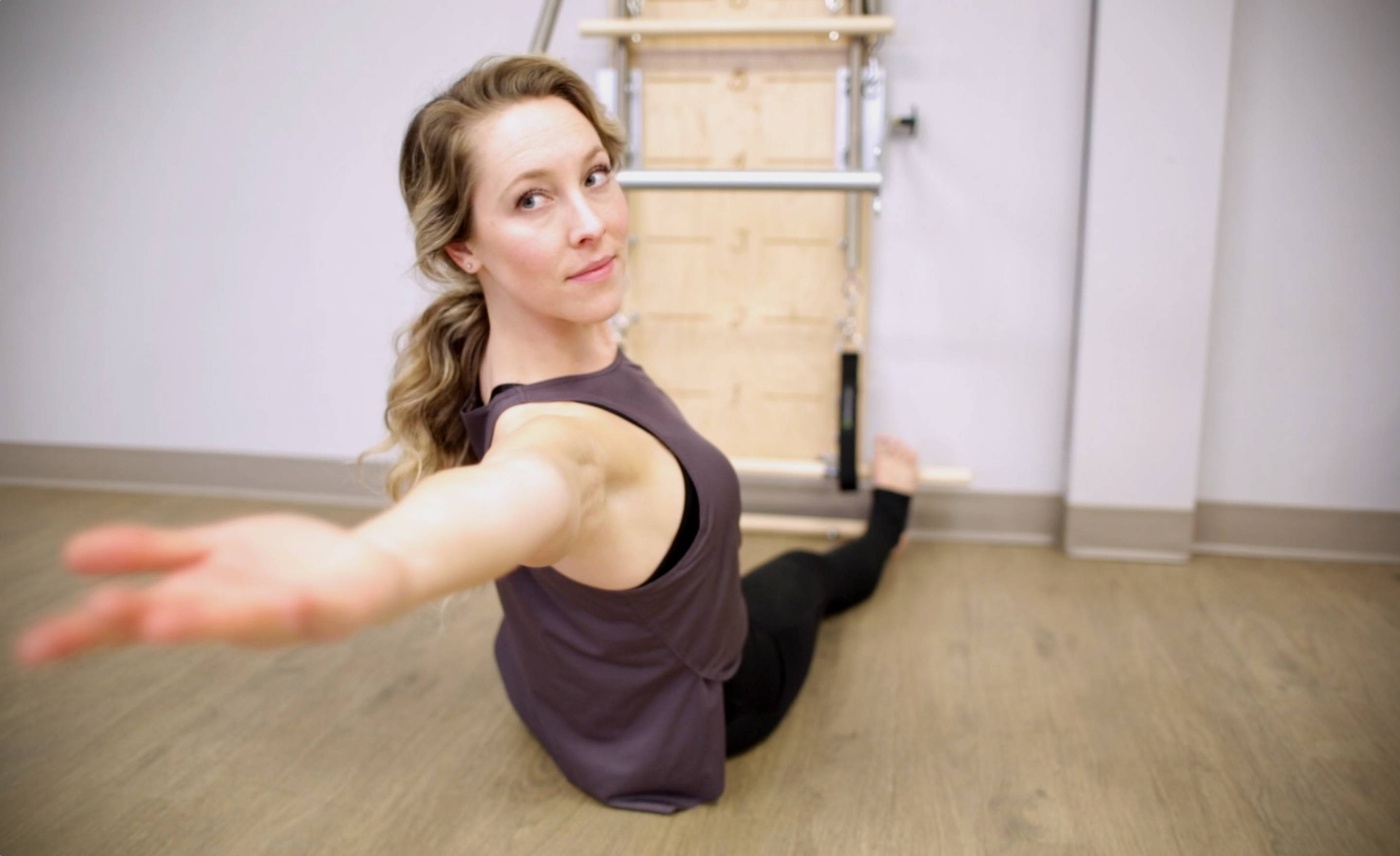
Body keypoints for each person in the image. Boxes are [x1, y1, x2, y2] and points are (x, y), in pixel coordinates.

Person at [14, 55, 918, 814]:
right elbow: (516, 492)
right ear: (464, 250)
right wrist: (369, 568)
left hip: (558, 694)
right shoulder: (564, 446)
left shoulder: (495, 339)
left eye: (595, 175)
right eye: (531, 200)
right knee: (808, 574)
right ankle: (890, 511)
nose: (590, 222)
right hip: (702, 707)